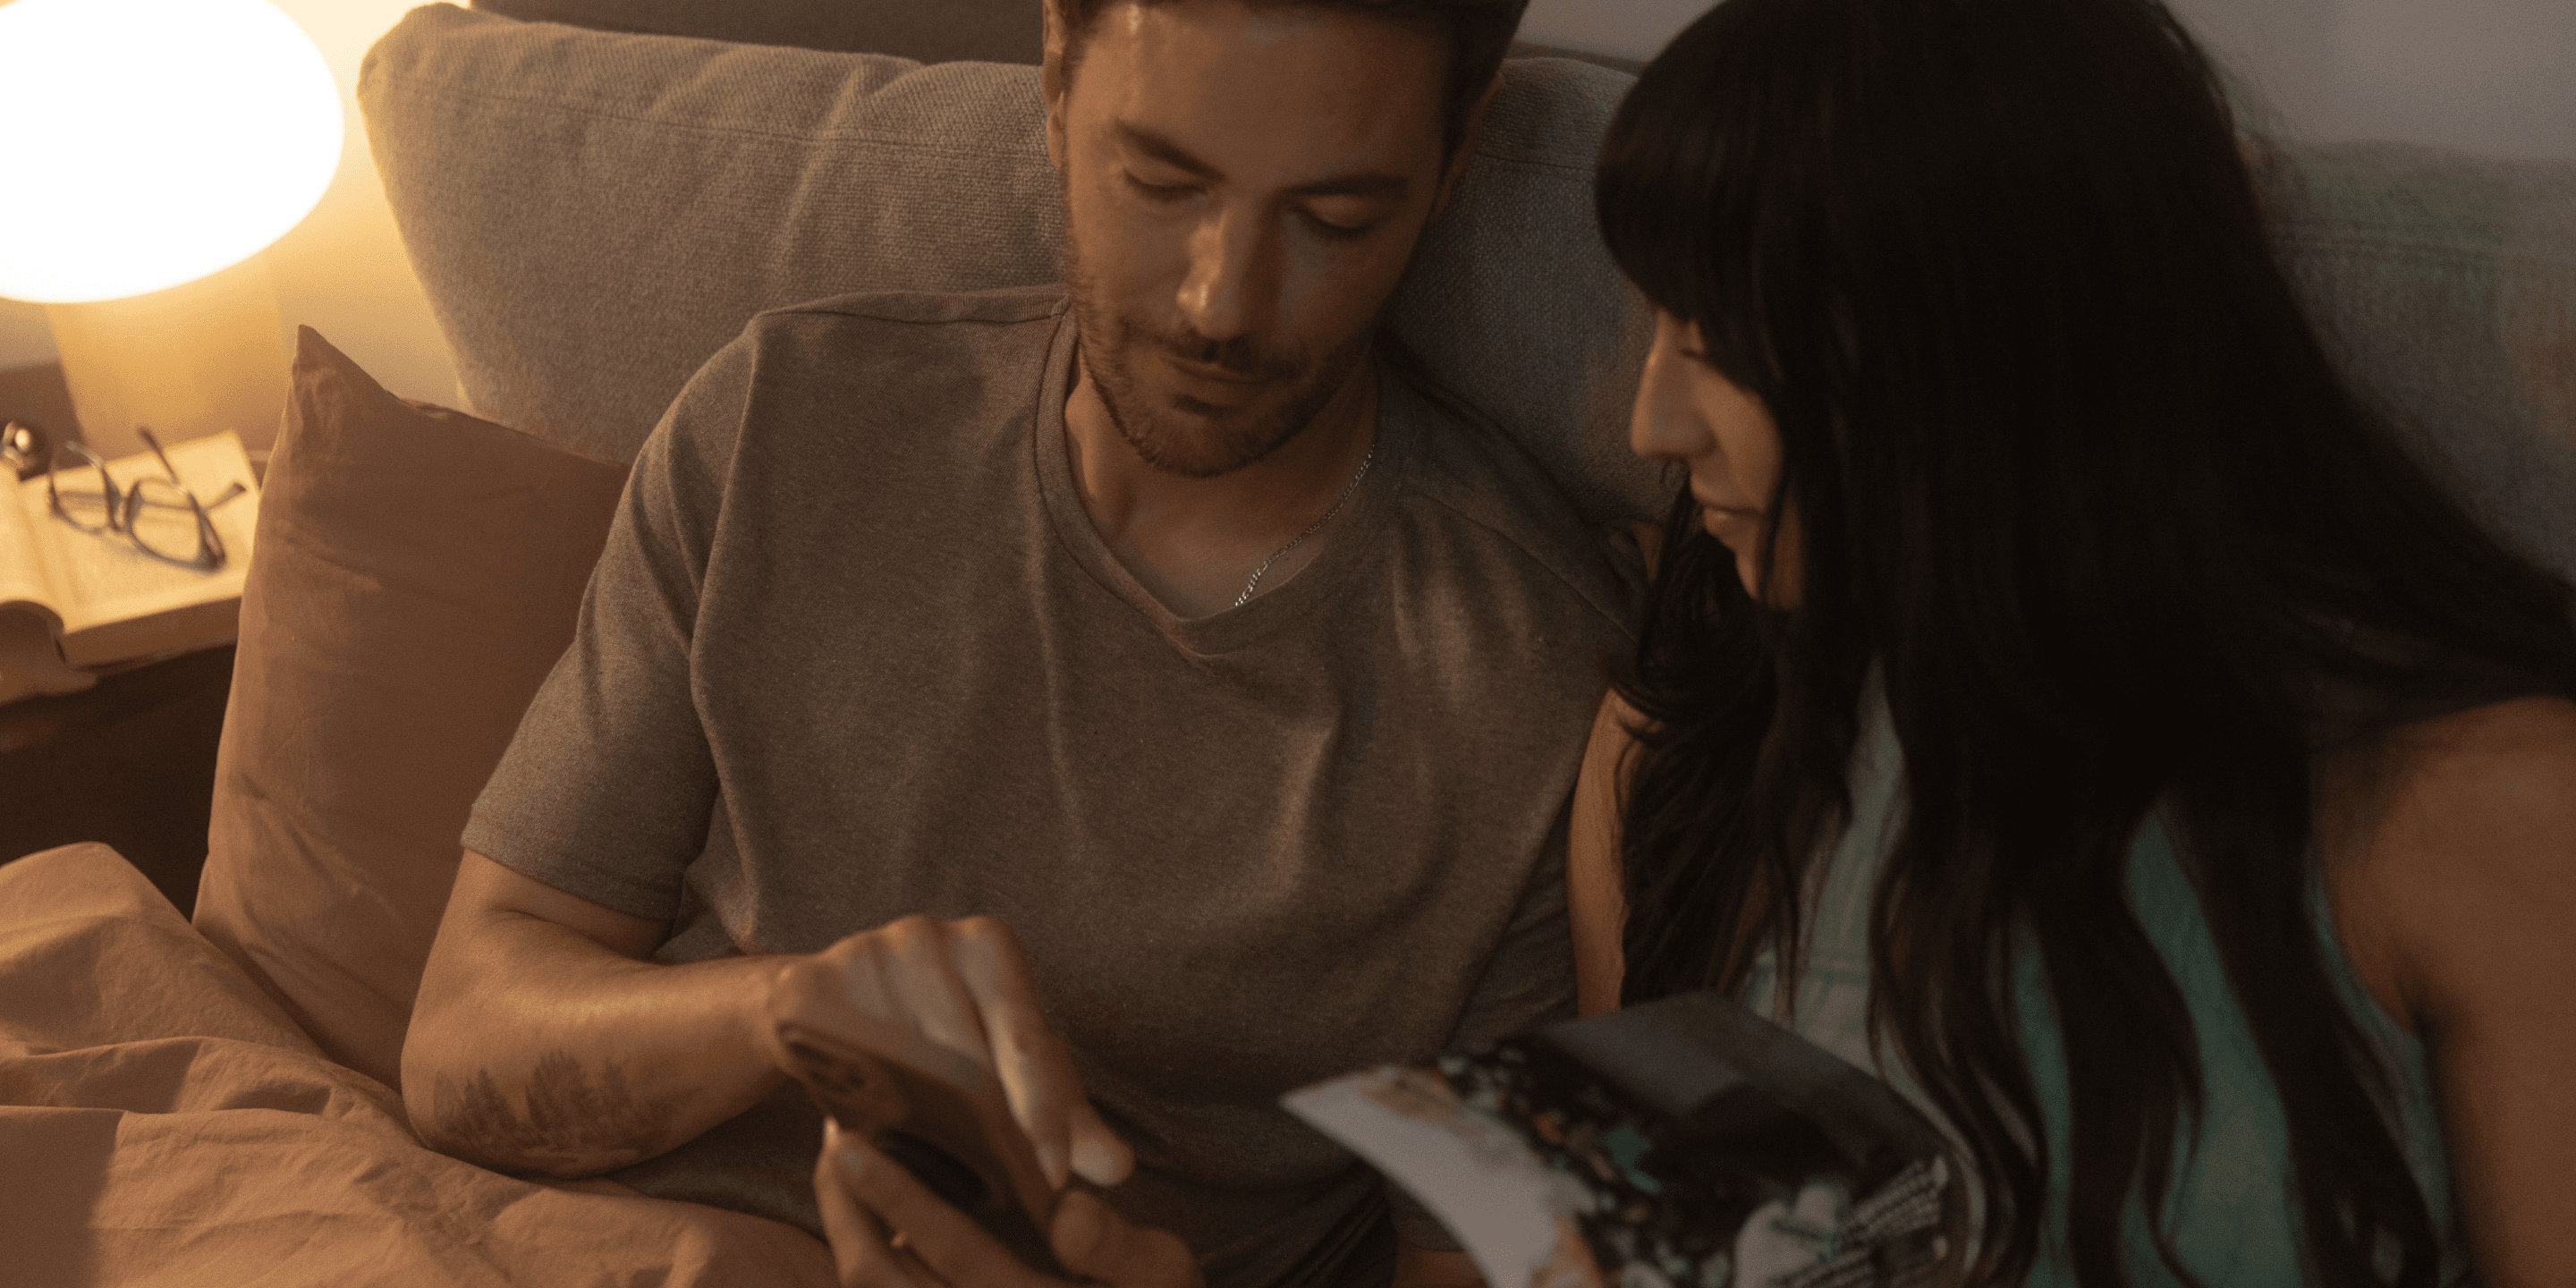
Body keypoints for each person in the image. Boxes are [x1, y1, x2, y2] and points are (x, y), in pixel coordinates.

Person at [400, 1, 1639, 1286]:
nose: (1223, 302)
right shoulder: (786, 420)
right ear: (1055, 83)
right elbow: (456, 1049)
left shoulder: (1540, 684)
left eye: (1336, 219)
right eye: (1161, 181)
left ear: (1454, 161)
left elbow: (1482, 1266)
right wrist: (785, 1015)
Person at [1563, 0, 2576, 1284]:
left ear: (1986, 354)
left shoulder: (2477, 810)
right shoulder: (1700, 747)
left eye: (1718, 347)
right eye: (1655, 324)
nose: (1652, 424)